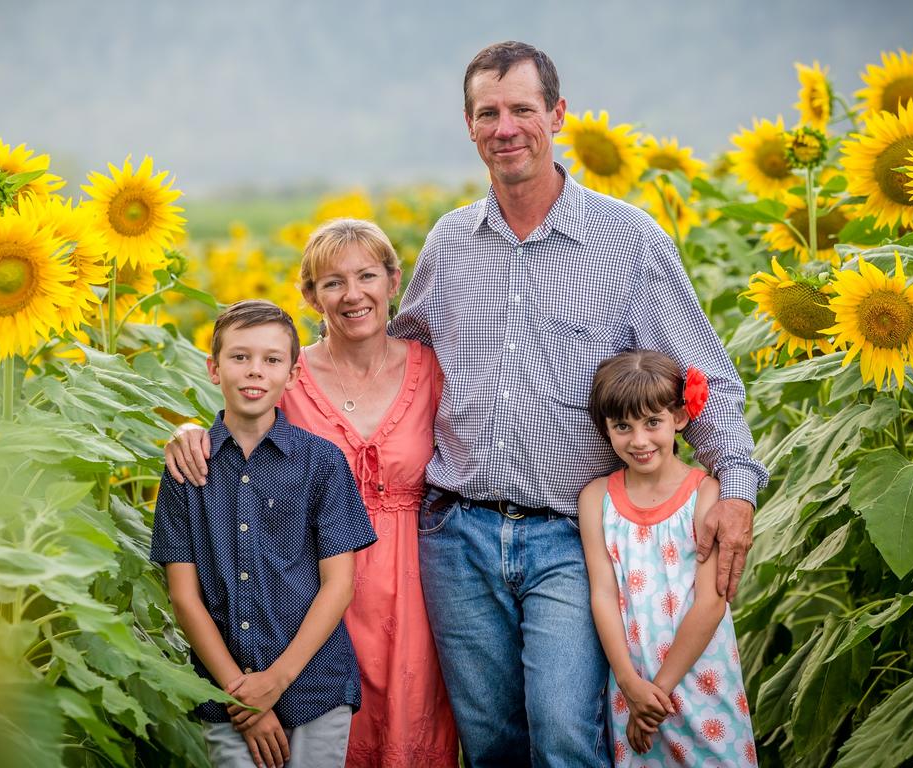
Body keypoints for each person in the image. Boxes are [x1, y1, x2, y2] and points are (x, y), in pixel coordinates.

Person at [387, 41, 768, 765]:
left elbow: (707, 377)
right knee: (491, 741)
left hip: (572, 537)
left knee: (566, 736)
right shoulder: (449, 245)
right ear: (468, 126)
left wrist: (738, 492)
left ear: (558, 115)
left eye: (523, 110)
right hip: (456, 536)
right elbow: (391, 363)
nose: (506, 128)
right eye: (488, 113)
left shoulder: (627, 241)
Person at [164, 221, 458, 767]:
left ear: (395, 281)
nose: (352, 294)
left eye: (367, 275)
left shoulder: (433, 368)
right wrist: (187, 432)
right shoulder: (289, 373)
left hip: (416, 583)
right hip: (304, 586)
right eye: (331, 282)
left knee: (409, 729)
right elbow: (240, 427)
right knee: (319, 729)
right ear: (309, 295)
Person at [150, 299, 378, 768]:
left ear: (292, 375)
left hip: (316, 685)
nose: (255, 371)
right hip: (227, 695)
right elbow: (184, 598)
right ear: (214, 369)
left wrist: (274, 681)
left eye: (271, 360)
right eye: (240, 357)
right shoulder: (187, 470)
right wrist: (244, 694)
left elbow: (339, 586)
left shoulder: (322, 463)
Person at [579, 351, 756, 766]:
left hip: (700, 676)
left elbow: (711, 602)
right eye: (622, 426)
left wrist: (657, 693)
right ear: (605, 428)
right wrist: (629, 683)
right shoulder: (596, 499)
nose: (638, 440)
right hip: (633, 683)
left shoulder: (706, 493)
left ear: (679, 417)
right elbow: (602, 595)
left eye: (652, 422)